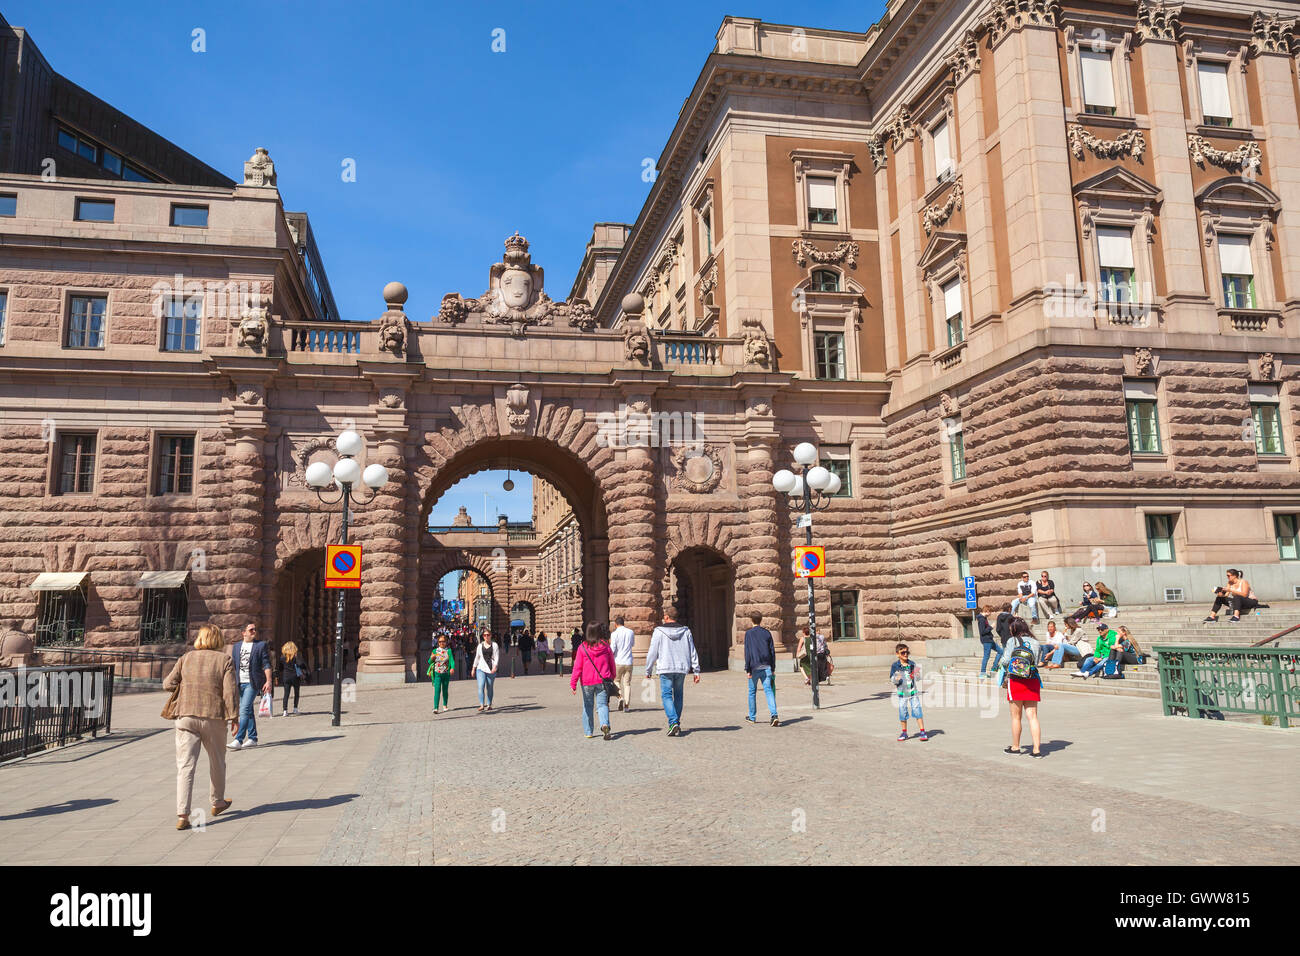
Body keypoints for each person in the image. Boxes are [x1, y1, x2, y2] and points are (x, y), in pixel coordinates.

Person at [163, 623, 238, 831]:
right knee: (217, 761)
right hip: (213, 717)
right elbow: (230, 692)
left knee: (185, 766)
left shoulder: (186, 658)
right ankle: (217, 802)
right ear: (218, 640)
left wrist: (187, 686)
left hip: (185, 716)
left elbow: (167, 684)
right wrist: (234, 717)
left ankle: (182, 814)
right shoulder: (224, 660)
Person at [644, 606, 700, 736]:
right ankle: (676, 723)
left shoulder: (658, 631)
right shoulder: (686, 631)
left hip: (665, 667)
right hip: (681, 668)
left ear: (667, 617)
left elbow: (652, 651)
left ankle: (673, 722)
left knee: (667, 695)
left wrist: (648, 669)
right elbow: (692, 650)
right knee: (679, 695)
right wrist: (696, 670)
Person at [571, 622, 617, 740]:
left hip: (587, 682)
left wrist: (573, 683)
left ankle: (588, 731)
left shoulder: (582, 648)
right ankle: (605, 725)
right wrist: (612, 676)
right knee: (602, 705)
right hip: (603, 681)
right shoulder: (606, 646)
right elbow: (612, 663)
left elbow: (577, 667)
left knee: (588, 706)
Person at [1002, 625, 1043, 757]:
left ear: (1014, 630)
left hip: (1016, 681)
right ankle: (1036, 750)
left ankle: (1016, 747)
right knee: (1033, 716)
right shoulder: (1036, 642)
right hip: (1032, 679)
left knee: (1016, 717)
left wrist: (1000, 665)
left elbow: (1006, 660)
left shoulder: (1012, 641)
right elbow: (1036, 662)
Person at [229, 622, 271, 750]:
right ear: (244, 633)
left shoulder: (260, 645)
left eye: (255, 629)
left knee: (244, 709)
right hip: (239, 682)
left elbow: (266, 664)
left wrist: (268, 680)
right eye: (251, 630)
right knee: (249, 711)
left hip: (252, 683)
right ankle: (253, 738)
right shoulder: (236, 647)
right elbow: (233, 665)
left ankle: (238, 739)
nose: (254, 631)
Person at [742, 613, 779, 727]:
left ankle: (752, 717)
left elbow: (747, 652)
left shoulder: (748, 634)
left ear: (751, 620)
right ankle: (774, 715)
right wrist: (773, 668)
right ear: (761, 620)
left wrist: (747, 669)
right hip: (767, 666)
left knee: (752, 692)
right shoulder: (767, 633)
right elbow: (772, 651)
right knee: (768, 691)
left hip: (754, 667)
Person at [890, 643, 926, 741]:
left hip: (913, 692)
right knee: (902, 712)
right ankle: (904, 732)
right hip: (902, 694)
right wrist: (897, 677)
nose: (906, 654)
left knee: (918, 711)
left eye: (907, 652)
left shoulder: (912, 664)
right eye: (903, 652)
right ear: (897, 654)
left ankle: (922, 732)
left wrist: (917, 673)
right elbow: (892, 680)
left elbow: (918, 678)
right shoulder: (895, 665)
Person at [608, 615, 635, 712]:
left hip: (618, 661)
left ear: (615, 624)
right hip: (628, 661)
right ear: (623, 623)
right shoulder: (630, 632)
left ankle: (620, 697)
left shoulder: (614, 634)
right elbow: (632, 644)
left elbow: (613, 649)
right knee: (627, 683)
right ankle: (627, 706)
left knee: (616, 681)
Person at [474, 628, 499, 712]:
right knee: (481, 686)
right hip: (480, 668)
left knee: (490, 686)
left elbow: (496, 657)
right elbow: (477, 657)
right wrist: (473, 668)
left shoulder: (494, 645)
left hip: (491, 669)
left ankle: (489, 704)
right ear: (483, 636)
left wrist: (495, 667)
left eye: (488, 635)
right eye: (485, 635)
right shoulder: (480, 646)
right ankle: (481, 704)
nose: (486, 637)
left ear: (491, 636)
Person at [428, 633, 454, 713]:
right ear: (438, 642)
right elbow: (429, 662)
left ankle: (445, 705)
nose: (441, 643)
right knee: (437, 690)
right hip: (437, 673)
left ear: (446, 642)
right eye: (440, 642)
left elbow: (452, 661)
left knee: (445, 690)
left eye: (443, 641)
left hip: (446, 673)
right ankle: (436, 707)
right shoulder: (435, 651)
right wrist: (432, 658)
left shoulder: (448, 651)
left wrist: (452, 668)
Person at [278, 641, 304, 716]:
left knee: (286, 694)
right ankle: (295, 709)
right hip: (295, 676)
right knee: (296, 693)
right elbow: (301, 664)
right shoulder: (295, 657)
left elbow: (280, 668)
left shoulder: (282, 657)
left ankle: (285, 711)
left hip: (286, 677)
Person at [976, 604, 1001, 677]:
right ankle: (982, 673)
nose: (990, 614)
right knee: (986, 656)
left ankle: (994, 667)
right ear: (987, 611)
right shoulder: (981, 619)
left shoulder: (984, 618)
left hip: (990, 640)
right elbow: (982, 632)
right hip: (986, 640)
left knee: (1001, 651)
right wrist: (991, 627)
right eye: (990, 612)